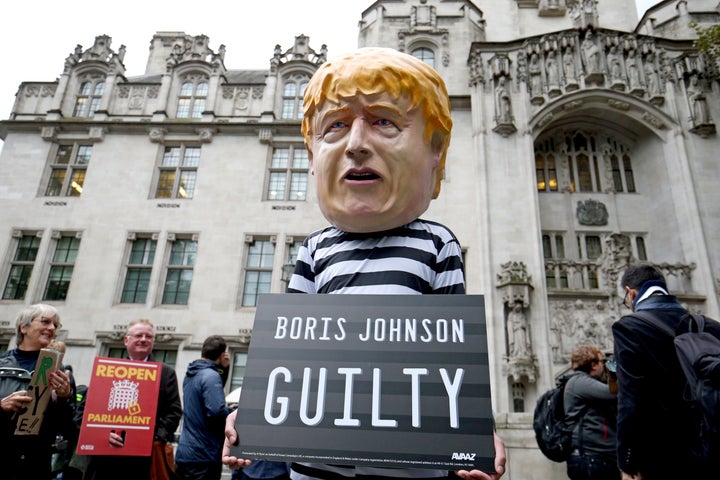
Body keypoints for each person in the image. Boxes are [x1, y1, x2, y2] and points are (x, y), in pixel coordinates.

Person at [223, 47, 506, 480]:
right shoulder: (315, 250)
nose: (356, 144)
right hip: (316, 465)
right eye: (336, 126)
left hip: (407, 467)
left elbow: (455, 364)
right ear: (313, 156)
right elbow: (289, 353)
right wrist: (249, 412)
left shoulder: (437, 245)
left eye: (384, 122)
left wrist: (478, 432)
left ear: (435, 151)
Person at [612, 263, 720, 480]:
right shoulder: (709, 326)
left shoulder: (630, 328)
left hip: (662, 456)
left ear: (630, 293)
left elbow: (630, 401)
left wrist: (627, 461)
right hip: (712, 448)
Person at [83, 319, 182, 480]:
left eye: (148, 336)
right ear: (126, 340)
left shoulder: (166, 373)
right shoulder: (106, 369)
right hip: (104, 460)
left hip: (143, 463)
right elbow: (86, 411)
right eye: (138, 335)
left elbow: (174, 411)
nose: (143, 339)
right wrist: (100, 434)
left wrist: (155, 437)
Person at [0, 303, 74, 480]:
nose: (51, 328)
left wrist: (64, 398)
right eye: (45, 322)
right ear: (23, 327)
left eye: (55, 325)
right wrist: (1, 406)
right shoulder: (2, 363)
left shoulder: (59, 370)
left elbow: (66, 427)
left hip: (35, 465)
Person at [175, 335, 233, 480]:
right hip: (203, 454)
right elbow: (216, 411)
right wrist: (233, 411)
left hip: (185, 452)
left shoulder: (192, 374)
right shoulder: (211, 375)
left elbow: (210, 393)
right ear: (221, 355)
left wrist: (224, 370)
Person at [563, 345, 618, 480]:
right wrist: (614, 369)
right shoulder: (580, 382)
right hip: (591, 459)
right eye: (602, 362)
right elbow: (614, 394)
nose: (604, 365)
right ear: (593, 365)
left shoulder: (581, 382)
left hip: (595, 457)